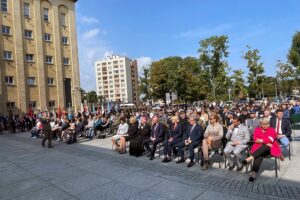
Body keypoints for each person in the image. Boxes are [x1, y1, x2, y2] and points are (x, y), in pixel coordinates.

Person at [242, 117, 281, 182]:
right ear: (260, 124)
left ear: (269, 124)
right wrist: (266, 142)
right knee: (259, 156)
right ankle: (253, 174)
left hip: (269, 150)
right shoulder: (257, 129)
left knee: (267, 146)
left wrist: (262, 140)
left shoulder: (272, 130)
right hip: (258, 149)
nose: (265, 125)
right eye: (263, 124)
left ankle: (250, 158)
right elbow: (255, 139)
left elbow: (271, 140)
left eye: (266, 124)